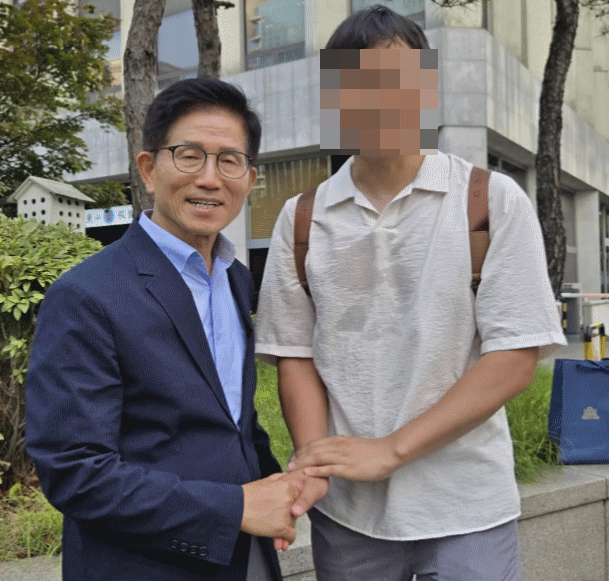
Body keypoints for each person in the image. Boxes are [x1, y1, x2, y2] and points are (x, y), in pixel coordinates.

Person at [255, 6, 565, 581]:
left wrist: (392, 449)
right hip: (347, 512)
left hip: (467, 504)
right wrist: (315, 460)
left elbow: (515, 355)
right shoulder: (302, 218)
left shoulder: (488, 199)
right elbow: (295, 353)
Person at [25, 78, 324, 581]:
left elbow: (233, 419)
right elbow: (74, 470)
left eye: (229, 161)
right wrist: (234, 509)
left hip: (244, 554)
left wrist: (283, 487)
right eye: (189, 156)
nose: (210, 178)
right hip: (141, 565)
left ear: (250, 178)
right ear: (148, 169)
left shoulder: (234, 278)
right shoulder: (85, 295)